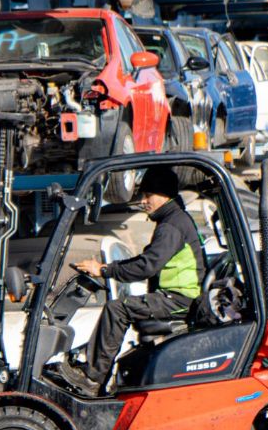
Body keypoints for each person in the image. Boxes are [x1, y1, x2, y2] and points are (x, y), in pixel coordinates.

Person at [60, 167, 205, 396]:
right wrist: (109, 269)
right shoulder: (173, 220)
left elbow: (147, 266)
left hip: (179, 300)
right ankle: (98, 374)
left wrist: (105, 270)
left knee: (118, 309)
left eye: (148, 195)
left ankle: (92, 378)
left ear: (164, 195)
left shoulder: (171, 226)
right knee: (121, 307)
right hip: (174, 297)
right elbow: (146, 260)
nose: (143, 200)